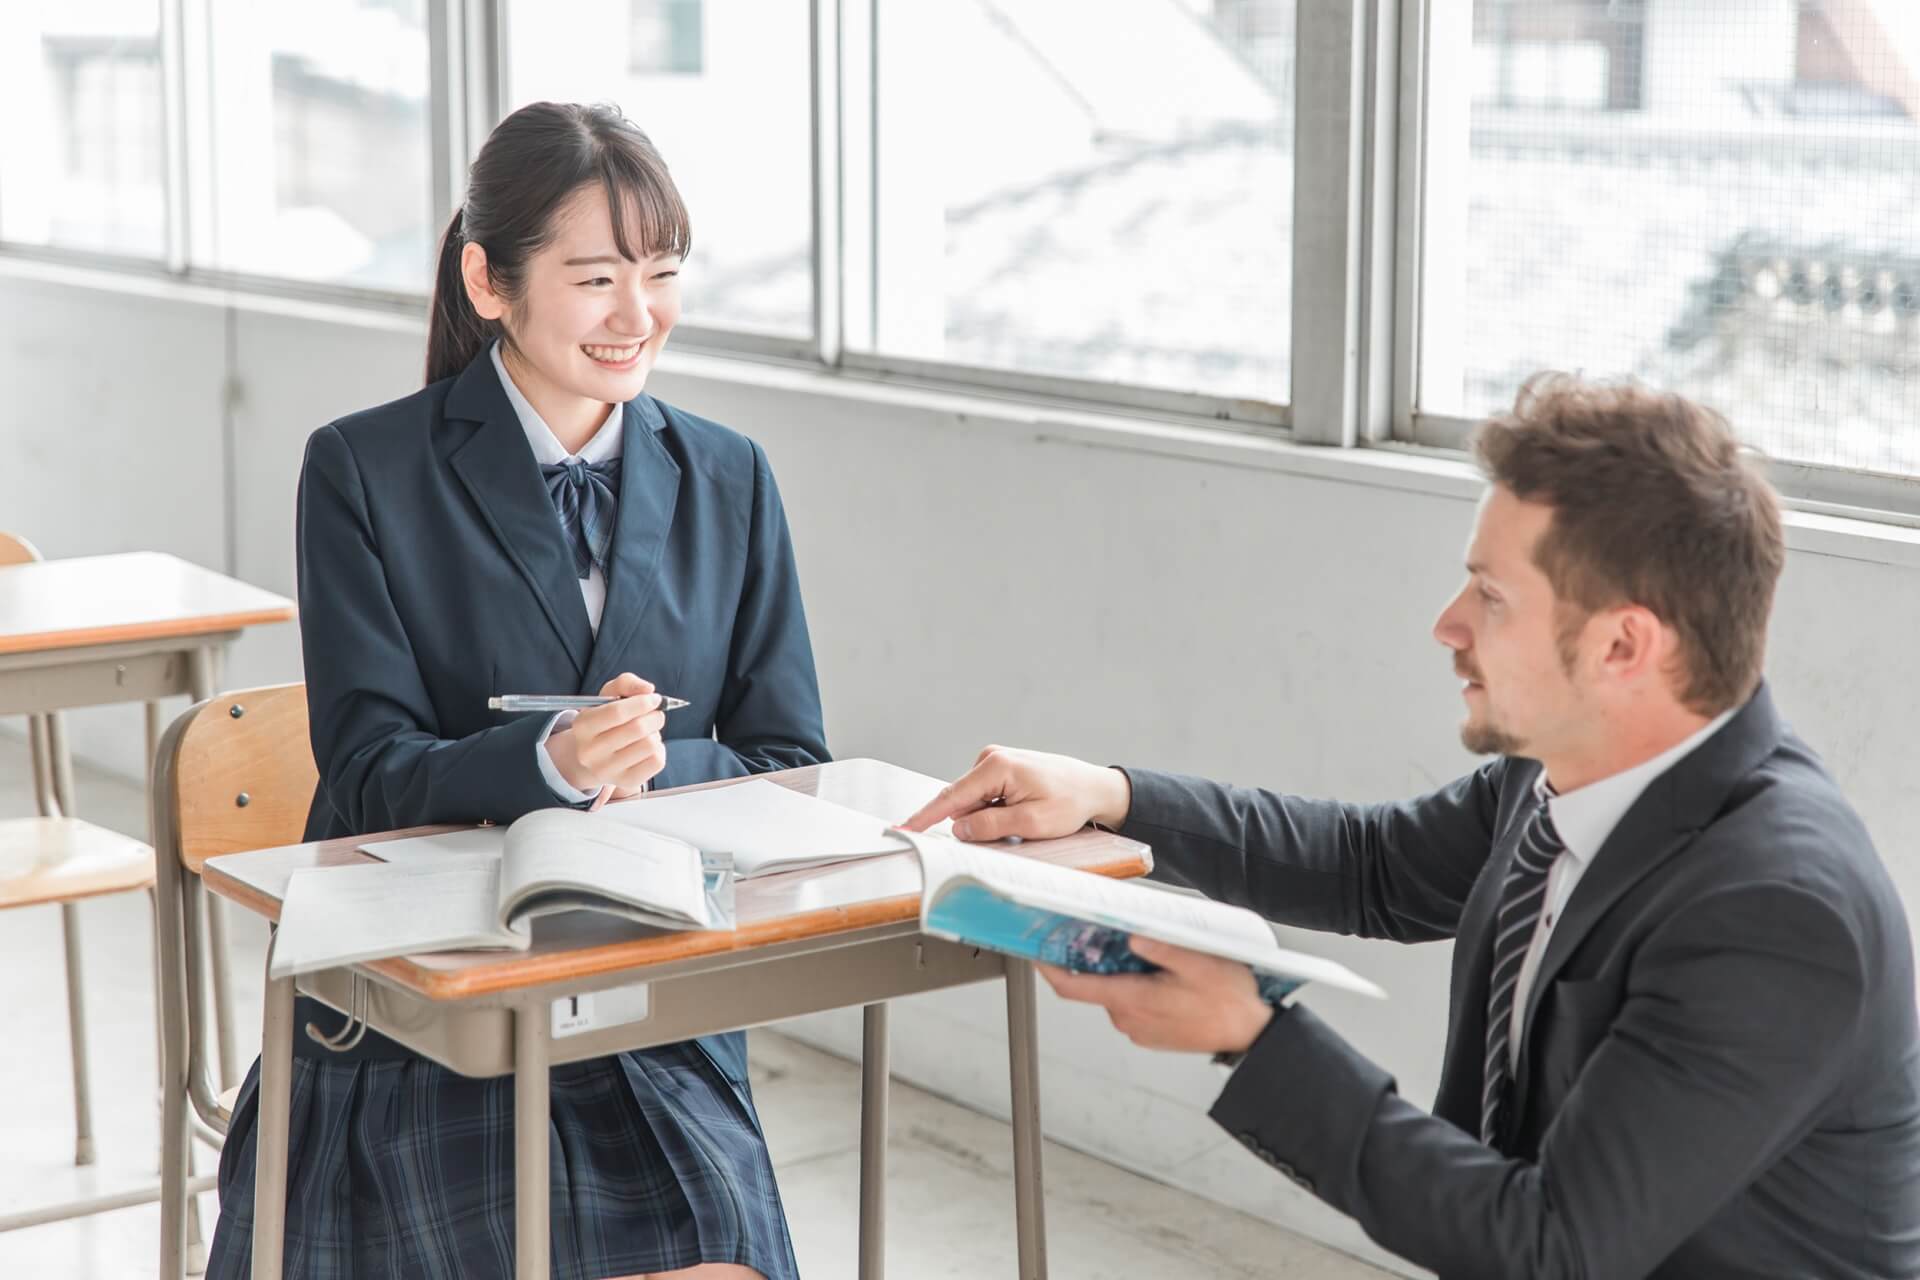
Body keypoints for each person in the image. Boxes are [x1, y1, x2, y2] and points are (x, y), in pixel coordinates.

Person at [905, 375, 1920, 1279]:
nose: (1447, 624)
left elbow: (1554, 1245)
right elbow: (1374, 866)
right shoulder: (1562, 769)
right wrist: (1115, 794)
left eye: (1490, 596)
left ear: (1623, 643)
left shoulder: (1777, 912)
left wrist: (1253, 1039)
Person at [208, 101, 826, 1280]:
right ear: (488, 281)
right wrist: (548, 768)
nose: (637, 315)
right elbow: (367, 769)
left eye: (661, 272)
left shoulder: (732, 476)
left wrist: (639, 772)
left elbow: (792, 760)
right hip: (422, 1012)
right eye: (596, 277)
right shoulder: (362, 468)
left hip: (648, 1005)